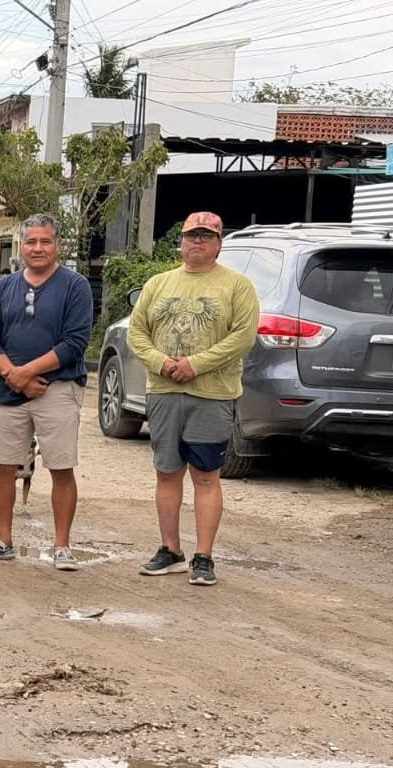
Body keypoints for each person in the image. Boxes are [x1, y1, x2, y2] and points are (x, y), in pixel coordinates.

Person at [127, 212, 257, 586]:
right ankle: (170, 550)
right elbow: (137, 332)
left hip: (212, 394)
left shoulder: (237, 286)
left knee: (206, 475)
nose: (197, 241)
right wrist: (162, 363)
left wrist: (195, 364)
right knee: (167, 472)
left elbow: (242, 337)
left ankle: (204, 557)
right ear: (181, 243)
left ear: (219, 244)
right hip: (164, 391)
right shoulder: (158, 284)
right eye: (191, 235)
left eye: (206, 235)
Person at [0, 213, 93, 571]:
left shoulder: (75, 286)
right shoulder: (4, 287)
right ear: (21, 246)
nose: (38, 248)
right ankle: (3, 540)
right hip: (9, 392)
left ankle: (62, 546)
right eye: (31, 241)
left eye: (45, 241)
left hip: (57, 388)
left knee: (61, 467)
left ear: (58, 245)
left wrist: (26, 372)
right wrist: (12, 375)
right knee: (3, 466)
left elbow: (74, 343)